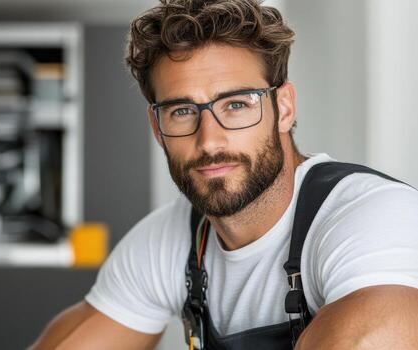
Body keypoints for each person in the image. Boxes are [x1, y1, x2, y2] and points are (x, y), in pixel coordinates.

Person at [31, 0, 418, 349]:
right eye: (182, 111)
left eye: (236, 104)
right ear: (156, 126)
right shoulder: (169, 242)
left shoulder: (375, 215)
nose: (209, 141)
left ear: (283, 108)